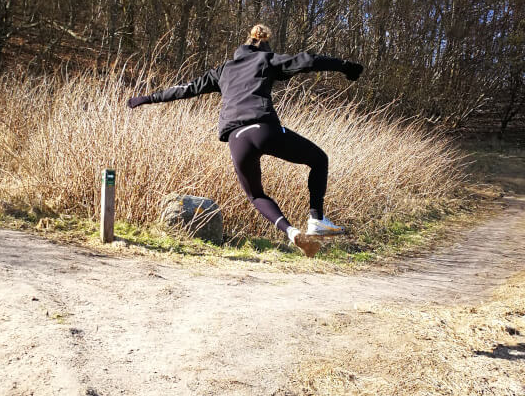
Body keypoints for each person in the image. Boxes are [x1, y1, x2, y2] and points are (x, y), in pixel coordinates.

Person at [127, 24, 364, 257]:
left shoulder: (222, 70)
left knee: (256, 195)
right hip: (264, 129)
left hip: (237, 139)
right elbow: (308, 60)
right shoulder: (266, 59)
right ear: (264, 45)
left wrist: (147, 98)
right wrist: (345, 66)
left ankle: (291, 233)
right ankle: (316, 220)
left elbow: (186, 89)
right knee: (319, 159)